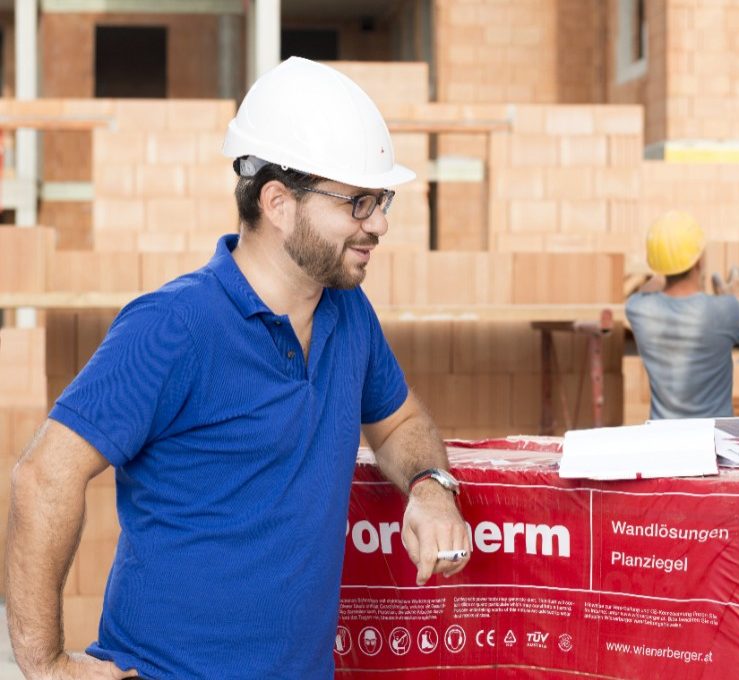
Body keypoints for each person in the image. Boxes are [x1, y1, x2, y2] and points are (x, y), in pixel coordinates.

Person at [5, 57, 471, 679]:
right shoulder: (174, 325)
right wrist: (42, 665)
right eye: (358, 202)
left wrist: (431, 488)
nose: (379, 224)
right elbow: (43, 477)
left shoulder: (348, 312)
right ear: (279, 202)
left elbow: (398, 420)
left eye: (381, 200)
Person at [625, 211, 739, 419]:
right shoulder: (727, 309)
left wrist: (665, 264)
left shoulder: (638, 309)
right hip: (710, 441)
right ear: (699, 262)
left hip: (663, 439)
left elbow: (654, 284)